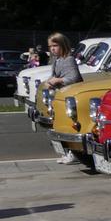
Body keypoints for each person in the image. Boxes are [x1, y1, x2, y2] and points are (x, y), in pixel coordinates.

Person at [44, 32, 83, 163]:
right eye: (50, 46)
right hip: (61, 97)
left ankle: (74, 153)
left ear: (63, 45)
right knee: (62, 125)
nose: (52, 49)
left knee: (71, 126)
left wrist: (58, 80)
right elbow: (54, 75)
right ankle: (67, 152)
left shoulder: (69, 59)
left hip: (71, 98)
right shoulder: (57, 60)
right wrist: (50, 81)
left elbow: (74, 78)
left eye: (55, 45)